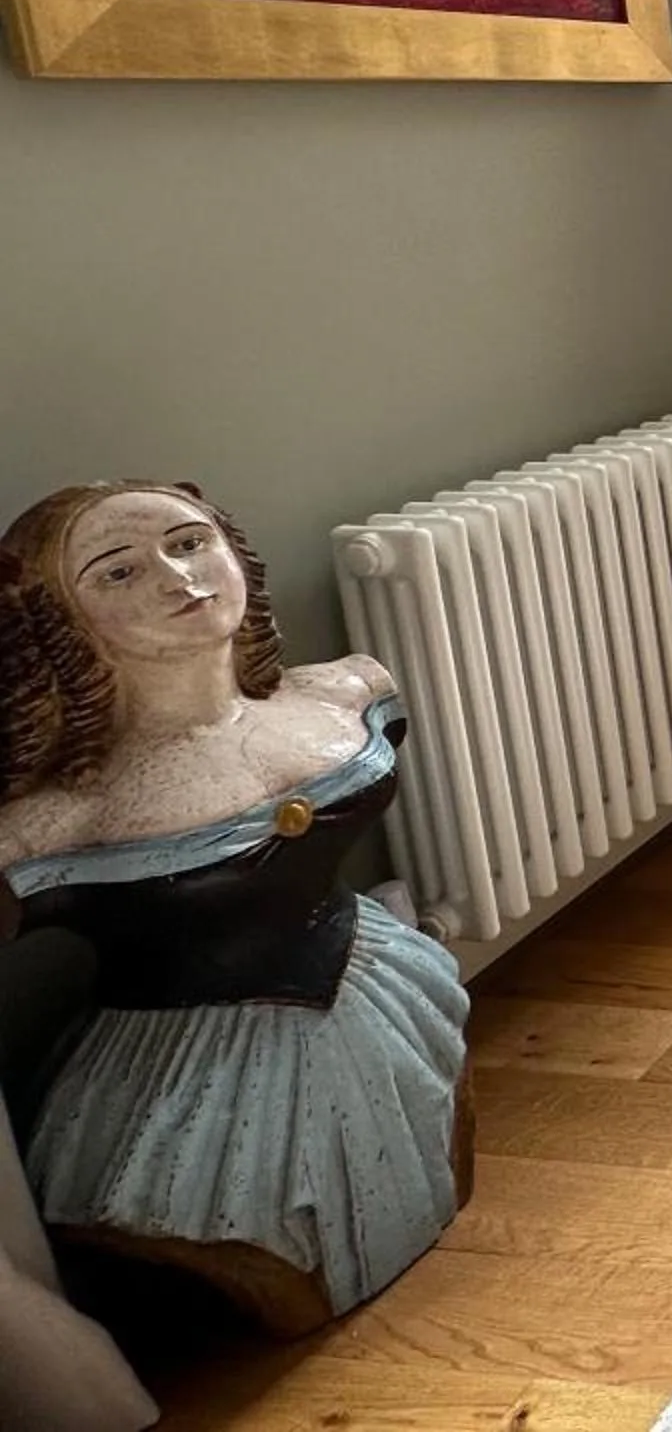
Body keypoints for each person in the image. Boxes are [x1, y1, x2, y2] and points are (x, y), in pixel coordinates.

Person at [0, 482, 469, 1335]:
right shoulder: (57, 822)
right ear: (59, 623)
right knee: (234, 1216)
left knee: (417, 1125)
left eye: (188, 543)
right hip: (191, 1060)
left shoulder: (347, 696)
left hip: (372, 981)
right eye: (117, 572)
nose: (176, 578)